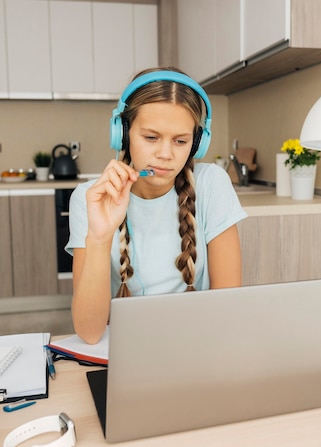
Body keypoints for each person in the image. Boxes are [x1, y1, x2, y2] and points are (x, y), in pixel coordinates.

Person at [66, 68, 247, 344]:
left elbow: (228, 311)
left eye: (181, 141)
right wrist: (101, 237)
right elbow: (90, 333)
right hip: (127, 350)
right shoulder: (88, 197)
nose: (165, 154)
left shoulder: (212, 184)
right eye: (151, 138)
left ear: (197, 143)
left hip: (199, 346)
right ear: (123, 134)